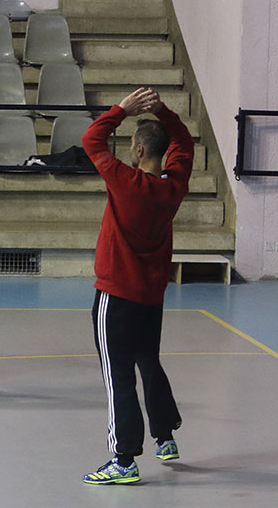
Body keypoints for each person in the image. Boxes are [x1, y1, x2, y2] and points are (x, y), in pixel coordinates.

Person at [80, 88, 193, 485]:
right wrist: (163, 112)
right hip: (151, 297)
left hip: (117, 296)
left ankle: (123, 460)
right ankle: (165, 436)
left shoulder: (125, 182)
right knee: (148, 361)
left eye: (131, 143)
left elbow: (91, 139)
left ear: (139, 149)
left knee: (118, 377)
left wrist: (121, 110)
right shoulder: (173, 185)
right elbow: (182, 143)